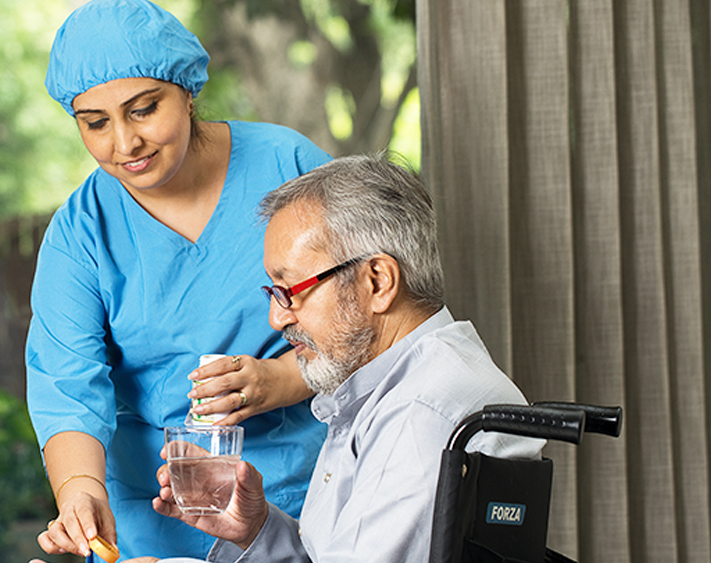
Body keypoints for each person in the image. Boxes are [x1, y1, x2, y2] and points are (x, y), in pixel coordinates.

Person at [26, 0, 331, 560]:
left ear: (187, 91)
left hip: (297, 496)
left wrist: (279, 381)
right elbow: (66, 386)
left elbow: (367, 322)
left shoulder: (288, 166)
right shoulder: (81, 231)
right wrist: (79, 492)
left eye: (143, 110)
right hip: (148, 517)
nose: (124, 144)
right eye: (95, 123)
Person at [130, 154, 545, 562]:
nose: (276, 319)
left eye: (289, 290)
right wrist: (257, 529)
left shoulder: (422, 413)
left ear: (377, 281)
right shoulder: (400, 385)